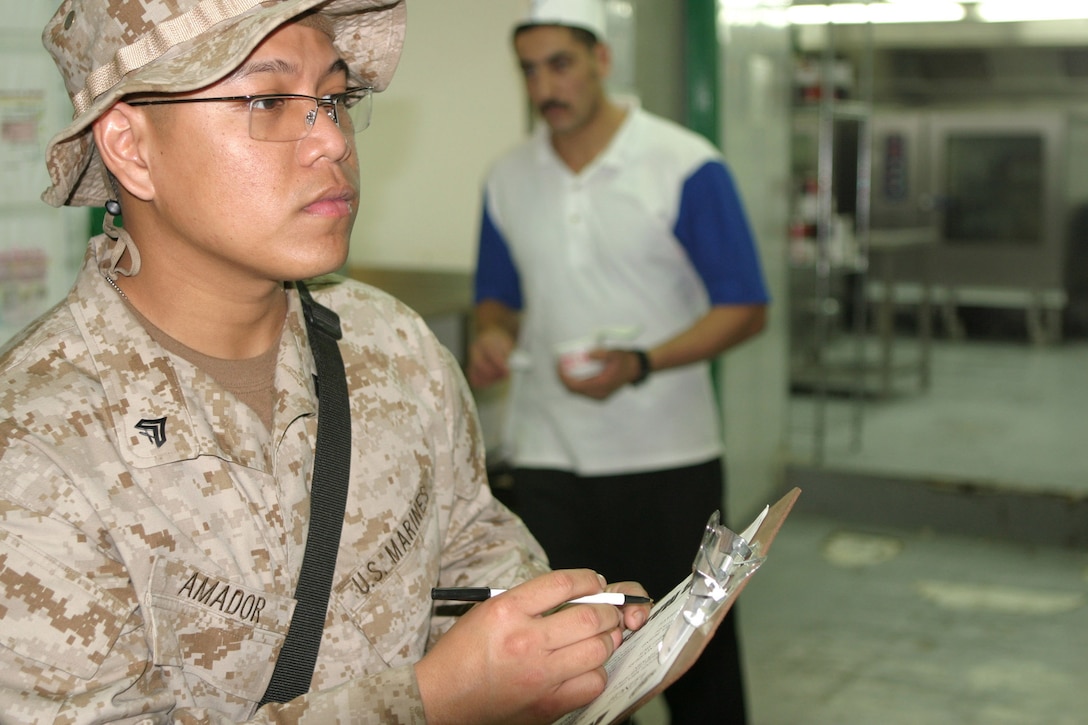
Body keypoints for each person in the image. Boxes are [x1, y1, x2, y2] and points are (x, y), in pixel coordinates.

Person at [0, 0, 652, 722]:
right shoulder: (36, 442)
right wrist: (433, 702)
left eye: (335, 99)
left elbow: (471, 556)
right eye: (269, 100)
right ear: (130, 146)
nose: (331, 142)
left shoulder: (390, 346)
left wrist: (575, 647)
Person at [467, 0, 770, 722]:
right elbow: (497, 297)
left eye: (561, 64)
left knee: (692, 653)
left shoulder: (683, 164)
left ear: (602, 60)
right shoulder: (508, 177)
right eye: (530, 69)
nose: (545, 86)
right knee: (575, 662)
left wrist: (641, 361)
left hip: (667, 454)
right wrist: (492, 336)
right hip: (548, 455)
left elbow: (746, 306)